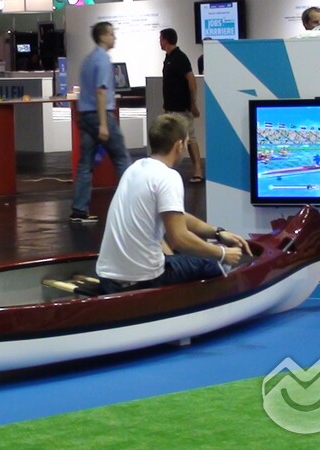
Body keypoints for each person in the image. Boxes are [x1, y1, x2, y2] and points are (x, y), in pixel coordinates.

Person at [96, 113, 250, 295]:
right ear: (179, 145)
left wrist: (217, 233)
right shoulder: (168, 177)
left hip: (107, 277)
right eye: (186, 143)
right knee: (213, 264)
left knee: (179, 258)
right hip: (144, 278)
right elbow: (179, 239)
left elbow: (176, 216)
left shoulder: (134, 169)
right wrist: (222, 253)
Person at [70, 22, 132, 223]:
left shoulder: (88, 60)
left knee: (85, 165)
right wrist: (104, 124)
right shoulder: (103, 59)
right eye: (111, 34)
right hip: (100, 115)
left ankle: (79, 210)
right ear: (103, 37)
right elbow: (101, 91)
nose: (114, 37)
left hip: (85, 116)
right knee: (121, 158)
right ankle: (133, 204)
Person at [160, 28, 204, 183]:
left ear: (165, 40)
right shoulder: (168, 58)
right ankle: (170, 170)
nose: (159, 42)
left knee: (190, 138)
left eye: (160, 39)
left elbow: (192, 81)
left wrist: (193, 104)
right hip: (171, 108)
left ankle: (198, 171)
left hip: (181, 108)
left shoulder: (180, 57)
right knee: (173, 139)